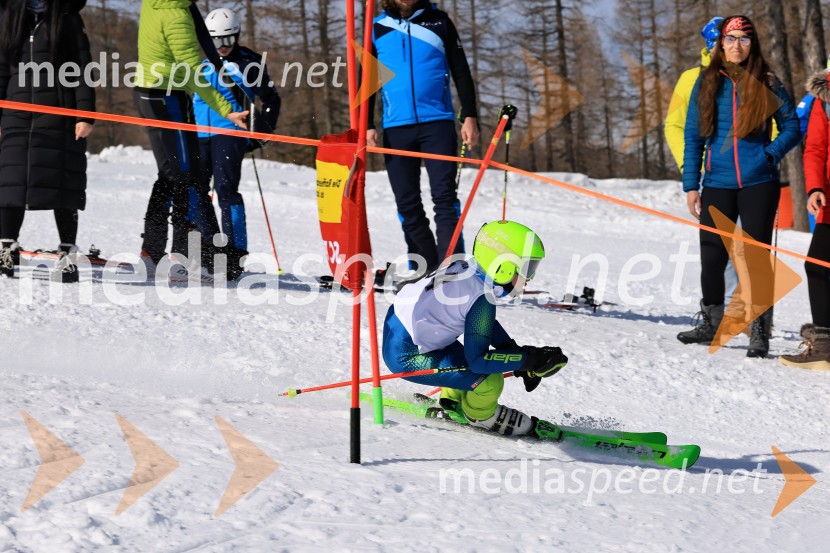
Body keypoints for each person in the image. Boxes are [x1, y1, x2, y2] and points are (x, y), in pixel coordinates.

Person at [677, 15, 801, 358]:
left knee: (757, 258)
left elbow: (791, 127)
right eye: (730, 39)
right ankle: (711, 322)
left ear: (753, 44)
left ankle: (759, 330)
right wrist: (691, 185)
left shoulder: (768, 81)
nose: (736, 46)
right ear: (720, 44)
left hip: (759, 182)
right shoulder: (706, 83)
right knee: (712, 256)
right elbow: (693, 136)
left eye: (744, 39)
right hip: (717, 182)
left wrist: (769, 154)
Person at [382, 220, 568, 436]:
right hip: (408, 356)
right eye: (528, 268)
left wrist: (518, 355)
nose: (529, 279)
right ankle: (480, 415)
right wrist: (528, 360)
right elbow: (478, 361)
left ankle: (452, 400)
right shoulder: (481, 297)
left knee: (470, 359)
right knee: (490, 379)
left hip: (406, 335)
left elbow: (482, 326)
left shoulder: (468, 268)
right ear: (503, 266)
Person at [134, 0, 248, 280]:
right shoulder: (176, 16)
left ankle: (152, 252)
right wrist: (227, 108)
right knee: (183, 176)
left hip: (159, 93)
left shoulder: (157, 4)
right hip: (164, 96)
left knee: (176, 175)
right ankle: (181, 256)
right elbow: (195, 72)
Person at [366, 0, 479, 275]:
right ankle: (424, 271)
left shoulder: (439, 21)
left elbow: (460, 69)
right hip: (396, 128)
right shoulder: (377, 26)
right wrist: (367, 124)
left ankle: (452, 270)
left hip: (437, 123)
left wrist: (470, 116)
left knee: (445, 199)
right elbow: (367, 78)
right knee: (407, 204)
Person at [0, 0, 95, 282]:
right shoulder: (11, 17)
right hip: (16, 113)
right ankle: (6, 248)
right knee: (10, 181)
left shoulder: (67, 18)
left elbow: (82, 67)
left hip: (59, 113)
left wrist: (85, 114)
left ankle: (67, 253)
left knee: (62, 182)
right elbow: (2, 68)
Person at [192, 7, 280, 280]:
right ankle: (209, 248)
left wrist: (261, 133)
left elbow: (271, 99)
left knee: (226, 189)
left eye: (228, 40)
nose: (223, 46)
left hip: (229, 133)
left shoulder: (248, 61)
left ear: (237, 36)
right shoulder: (196, 60)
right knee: (196, 191)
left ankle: (235, 254)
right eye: (217, 40)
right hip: (197, 134)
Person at [781, 67, 830, 370]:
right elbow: (814, 149)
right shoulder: (823, 97)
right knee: (817, 265)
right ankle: (825, 341)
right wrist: (814, 187)